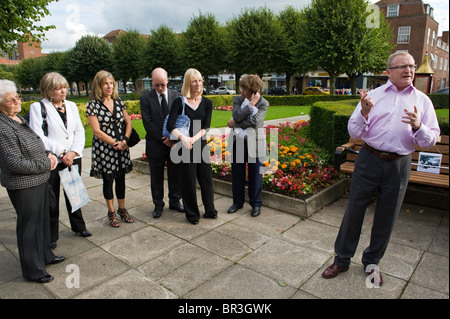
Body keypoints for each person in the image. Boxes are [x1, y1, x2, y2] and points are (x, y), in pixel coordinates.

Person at [322, 52, 440, 286]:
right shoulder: (373, 96)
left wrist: (418, 126)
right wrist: (365, 112)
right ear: (388, 71)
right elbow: (354, 132)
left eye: (412, 66)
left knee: (387, 216)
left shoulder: (423, 101)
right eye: (403, 66)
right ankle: (342, 259)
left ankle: (373, 261)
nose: (409, 70)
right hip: (369, 159)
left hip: (399, 164)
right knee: (354, 210)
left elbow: (431, 140)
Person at [0, 79, 65, 283]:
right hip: (23, 184)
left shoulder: (17, 118)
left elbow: (35, 141)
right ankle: (33, 270)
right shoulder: (2, 127)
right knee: (29, 227)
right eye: (12, 100)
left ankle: (46, 255)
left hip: (39, 179)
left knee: (43, 221)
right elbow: (14, 163)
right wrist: (46, 164)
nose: (18, 101)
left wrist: (49, 154)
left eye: (18, 97)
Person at [29, 72, 91, 249]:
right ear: (48, 90)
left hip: (72, 157)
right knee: (52, 198)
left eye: (64, 87)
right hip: (53, 159)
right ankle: (51, 235)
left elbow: (79, 131)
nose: (63, 90)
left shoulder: (70, 106)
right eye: (58, 88)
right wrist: (62, 152)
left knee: (74, 193)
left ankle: (79, 226)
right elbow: (38, 135)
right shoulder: (38, 107)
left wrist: (73, 152)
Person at [166, 68, 217, 225]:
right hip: (185, 146)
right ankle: (192, 215)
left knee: (206, 179)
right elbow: (170, 125)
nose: (198, 84)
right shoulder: (179, 102)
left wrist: (193, 139)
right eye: (194, 81)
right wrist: (183, 138)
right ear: (188, 82)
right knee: (188, 181)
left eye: (200, 80)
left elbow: (206, 127)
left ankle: (210, 211)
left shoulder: (207, 103)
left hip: (199, 144)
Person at [86, 70, 134, 227]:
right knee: (108, 180)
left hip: (122, 147)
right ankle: (111, 212)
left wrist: (125, 140)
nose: (109, 86)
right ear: (99, 85)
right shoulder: (93, 105)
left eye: (111, 83)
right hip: (105, 149)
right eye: (105, 83)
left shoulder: (119, 101)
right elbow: (97, 131)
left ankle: (122, 209)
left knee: (121, 179)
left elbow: (128, 122)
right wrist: (115, 142)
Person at [140, 68, 183, 218]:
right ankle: (158, 204)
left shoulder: (177, 96)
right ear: (152, 82)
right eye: (156, 85)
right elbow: (148, 123)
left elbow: (180, 120)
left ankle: (175, 201)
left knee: (175, 174)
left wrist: (173, 138)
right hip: (155, 144)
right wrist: (165, 138)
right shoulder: (145, 99)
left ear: (167, 81)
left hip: (174, 143)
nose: (159, 88)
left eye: (162, 85)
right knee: (156, 177)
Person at [226, 75, 269, 217]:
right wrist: (250, 106)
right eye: (242, 89)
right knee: (237, 174)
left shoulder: (263, 103)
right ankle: (237, 202)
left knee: (256, 176)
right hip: (238, 142)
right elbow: (237, 115)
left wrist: (235, 122)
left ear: (254, 91)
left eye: (245, 89)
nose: (242, 92)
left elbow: (254, 122)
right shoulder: (238, 99)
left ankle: (256, 204)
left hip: (255, 144)